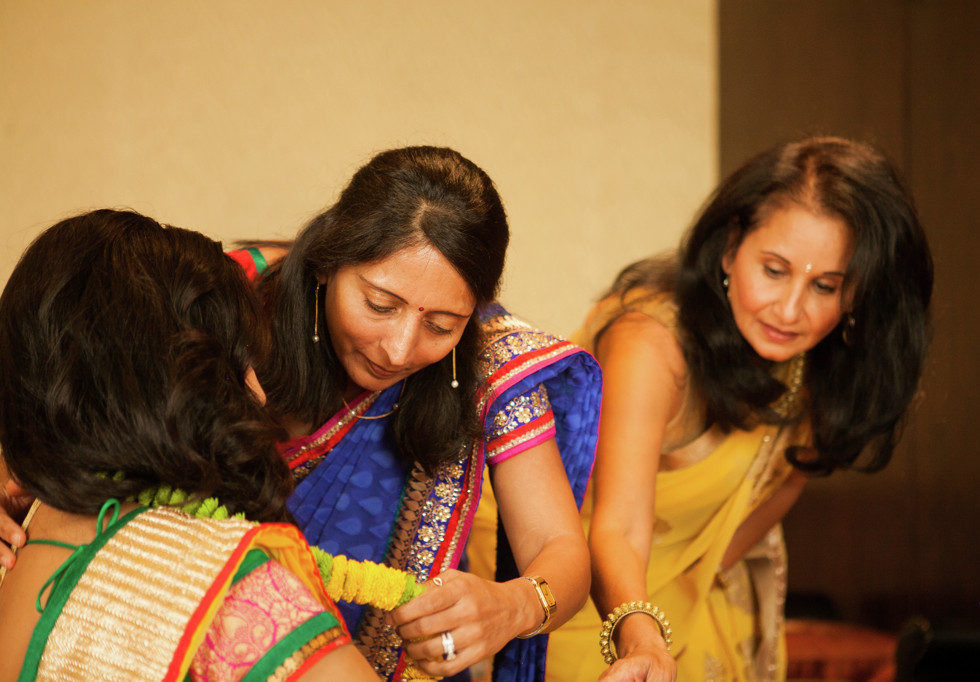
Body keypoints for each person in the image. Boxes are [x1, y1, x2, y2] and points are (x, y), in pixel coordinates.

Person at [544, 137, 934, 681]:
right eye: (773, 270)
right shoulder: (651, 343)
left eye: (824, 286)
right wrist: (643, 633)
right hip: (575, 591)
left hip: (686, 592)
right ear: (730, 248)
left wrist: (693, 582)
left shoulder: (823, 361)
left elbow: (785, 480)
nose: (790, 310)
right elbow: (621, 528)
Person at [233, 146, 601, 681]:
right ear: (328, 262)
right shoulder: (231, 304)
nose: (399, 350)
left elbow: (558, 547)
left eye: (441, 325)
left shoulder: (490, 361)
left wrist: (514, 605)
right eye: (380, 306)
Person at [0, 210, 379, 681]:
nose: (259, 393)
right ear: (179, 383)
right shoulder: (234, 592)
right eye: (240, 362)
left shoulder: (23, 532)